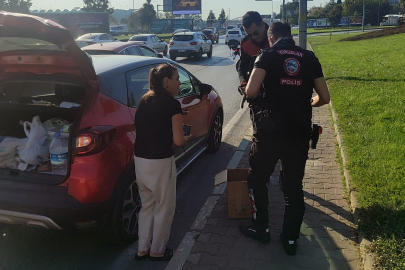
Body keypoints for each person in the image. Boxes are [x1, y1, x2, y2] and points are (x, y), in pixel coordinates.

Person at [239, 22, 331, 256]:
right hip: (298, 133)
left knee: (258, 180)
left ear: (271, 38)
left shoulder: (267, 55)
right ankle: (290, 239)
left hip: (269, 132)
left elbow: (250, 91)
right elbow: (324, 97)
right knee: (293, 187)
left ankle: (262, 228)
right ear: (290, 36)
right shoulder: (309, 57)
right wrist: (307, 102)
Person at [134, 64, 191, 261]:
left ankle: (142, 248)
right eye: (176, 78)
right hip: (160, 162)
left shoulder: (144, 99)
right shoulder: (172, 104)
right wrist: (188, 135)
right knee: (164, 207)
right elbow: (178, 141)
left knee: (147, 205)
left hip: (140, 161)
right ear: (166, 82)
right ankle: (157, 250)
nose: (179, 82)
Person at [237, 11, 270, 88]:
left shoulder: (276, 38)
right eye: (249, 35)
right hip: (256, 88)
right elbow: (242, 68)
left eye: (256, 33)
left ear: (262, 24)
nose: (253, 37)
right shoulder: (245, 44)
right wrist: (244, 83)